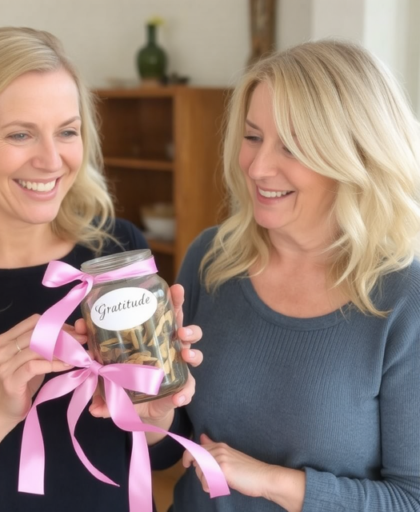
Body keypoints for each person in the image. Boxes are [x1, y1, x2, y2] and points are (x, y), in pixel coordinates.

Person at [0, 27, 202, 512]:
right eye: (20, 134)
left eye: (67, 131)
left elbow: (164, 452)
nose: (50, 160)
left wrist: (155, 411)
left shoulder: (117, 249)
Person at [172, 40, 420, 512]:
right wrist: (152, 402)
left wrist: (271, 481)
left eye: (292, 144)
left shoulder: (406, 299)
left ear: (356, 155)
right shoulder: (211, 258)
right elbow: (174, 447)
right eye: (252, 136)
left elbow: (411, 500)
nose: (259, 167)